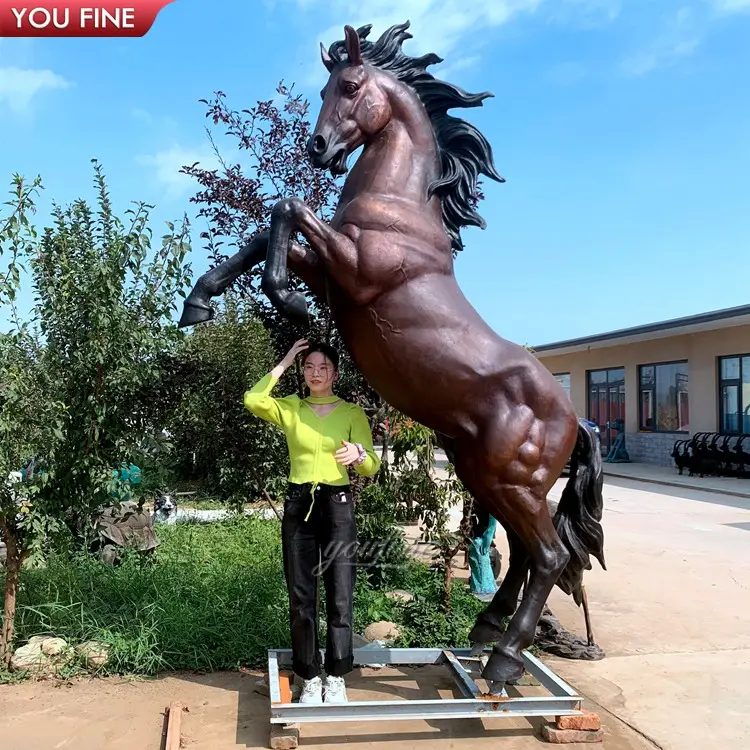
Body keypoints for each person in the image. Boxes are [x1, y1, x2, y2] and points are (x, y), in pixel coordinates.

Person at [244, 338, 381, 704]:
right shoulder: (291, 407)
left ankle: (336, 675)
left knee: (340, 595)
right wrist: (286, 360)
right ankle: (309, 675)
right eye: (309, 367)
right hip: (298, 504)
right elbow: (253, 399)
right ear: (302, 372)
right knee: (301, 597)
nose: (316, 373)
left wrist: (359, 453)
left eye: (323, 367)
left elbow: (372, 466)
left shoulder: (352, 413)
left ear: (335, 373)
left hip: (337, 505)